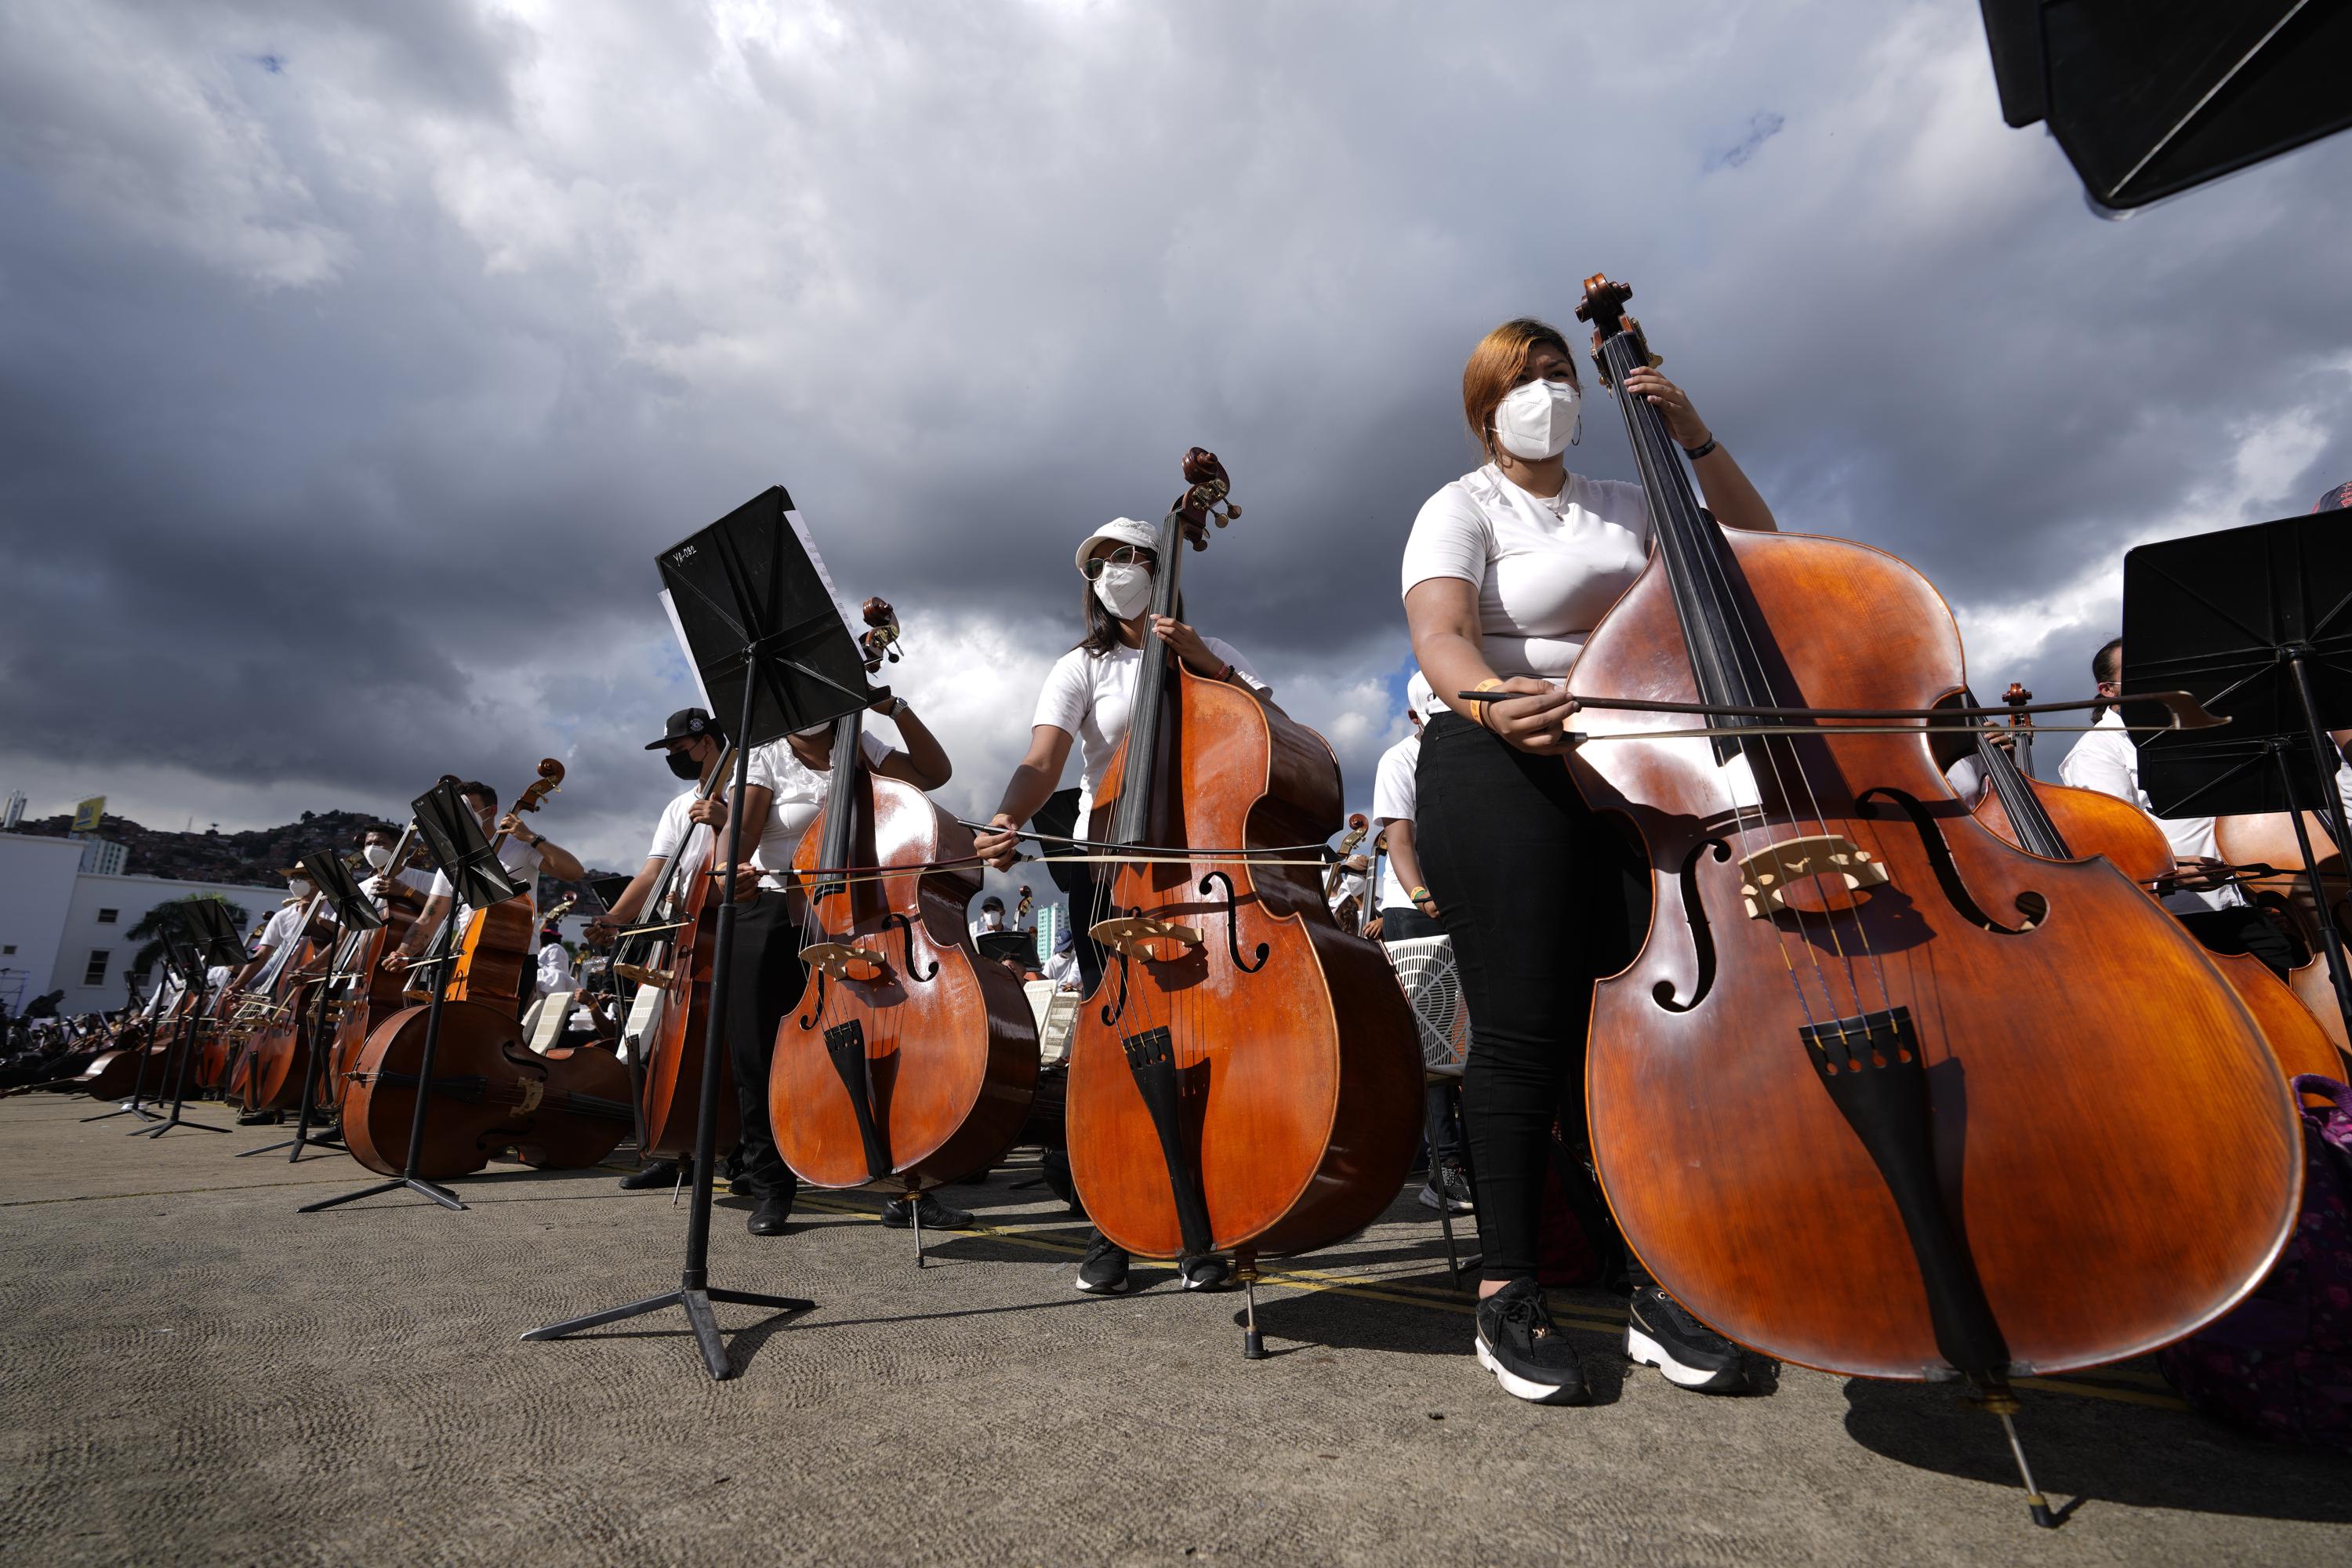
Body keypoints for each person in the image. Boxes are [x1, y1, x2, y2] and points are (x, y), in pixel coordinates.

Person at [1403, 316, 1778, 1403]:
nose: (1552, 392)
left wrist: (1693, 434)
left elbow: (1756, 551)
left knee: (1640, 1034)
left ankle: (1658, 1281)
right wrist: (1486, 698)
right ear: (1488, 408)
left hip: (1633, 761)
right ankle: (1508, 1290)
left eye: (1562, 374)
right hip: (1498, 753)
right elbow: (1440, 633)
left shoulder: (1627, 500)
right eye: (1528, 379)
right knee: (1523, 1031)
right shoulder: (1461, 505)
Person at [974, 515, 1272, 1296]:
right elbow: (1043, 759)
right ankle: (1114, 1218)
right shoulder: (1081, 667)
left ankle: (1211, 1208)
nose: (1115, 568)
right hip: (1109, 867)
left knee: (1208, 1045)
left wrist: (1205, 662)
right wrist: (1008, 813)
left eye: (1129, 555)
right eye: (1100, 560)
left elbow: (1275, 728)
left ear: (1159, 562)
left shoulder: (1210, 654)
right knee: (1123, 1050)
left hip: (1202, 869)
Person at [699, 694, 966, 1236]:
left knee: (891, 1045)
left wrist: (895, 709)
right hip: (777, 906)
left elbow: (933, 775)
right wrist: (730, 869)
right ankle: (772, 1188)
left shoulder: (861, 744)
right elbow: (742, 835)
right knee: (757, 1053)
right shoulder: (769, 756)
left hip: (860, 913)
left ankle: (905, 1188)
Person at [2058, 637, 2299, 977]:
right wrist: (2173, 870)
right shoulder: (2097, 751)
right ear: (2108, 690)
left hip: (2245, 901)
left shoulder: (2190, 735)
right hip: (2185, 914)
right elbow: (2114, 840)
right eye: (2137, 672)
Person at [1368, 671, 1473, 1215]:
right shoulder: (1397, 761)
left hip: (1465, 902)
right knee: (1436, 1043)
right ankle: (1445, 1166)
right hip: (1416, 910)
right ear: (1414, 719)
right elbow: (1401, 841)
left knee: (1478, 1041)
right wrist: (1424, 894)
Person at [387, 780, 585, 984]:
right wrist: (403, 951)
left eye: (470, 808)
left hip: (516, 957)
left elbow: (574, 872)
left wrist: (531, 837)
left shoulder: (521, 847)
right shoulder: (452, 861)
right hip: (466, 957)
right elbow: (429, 918)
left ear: (491, 811)